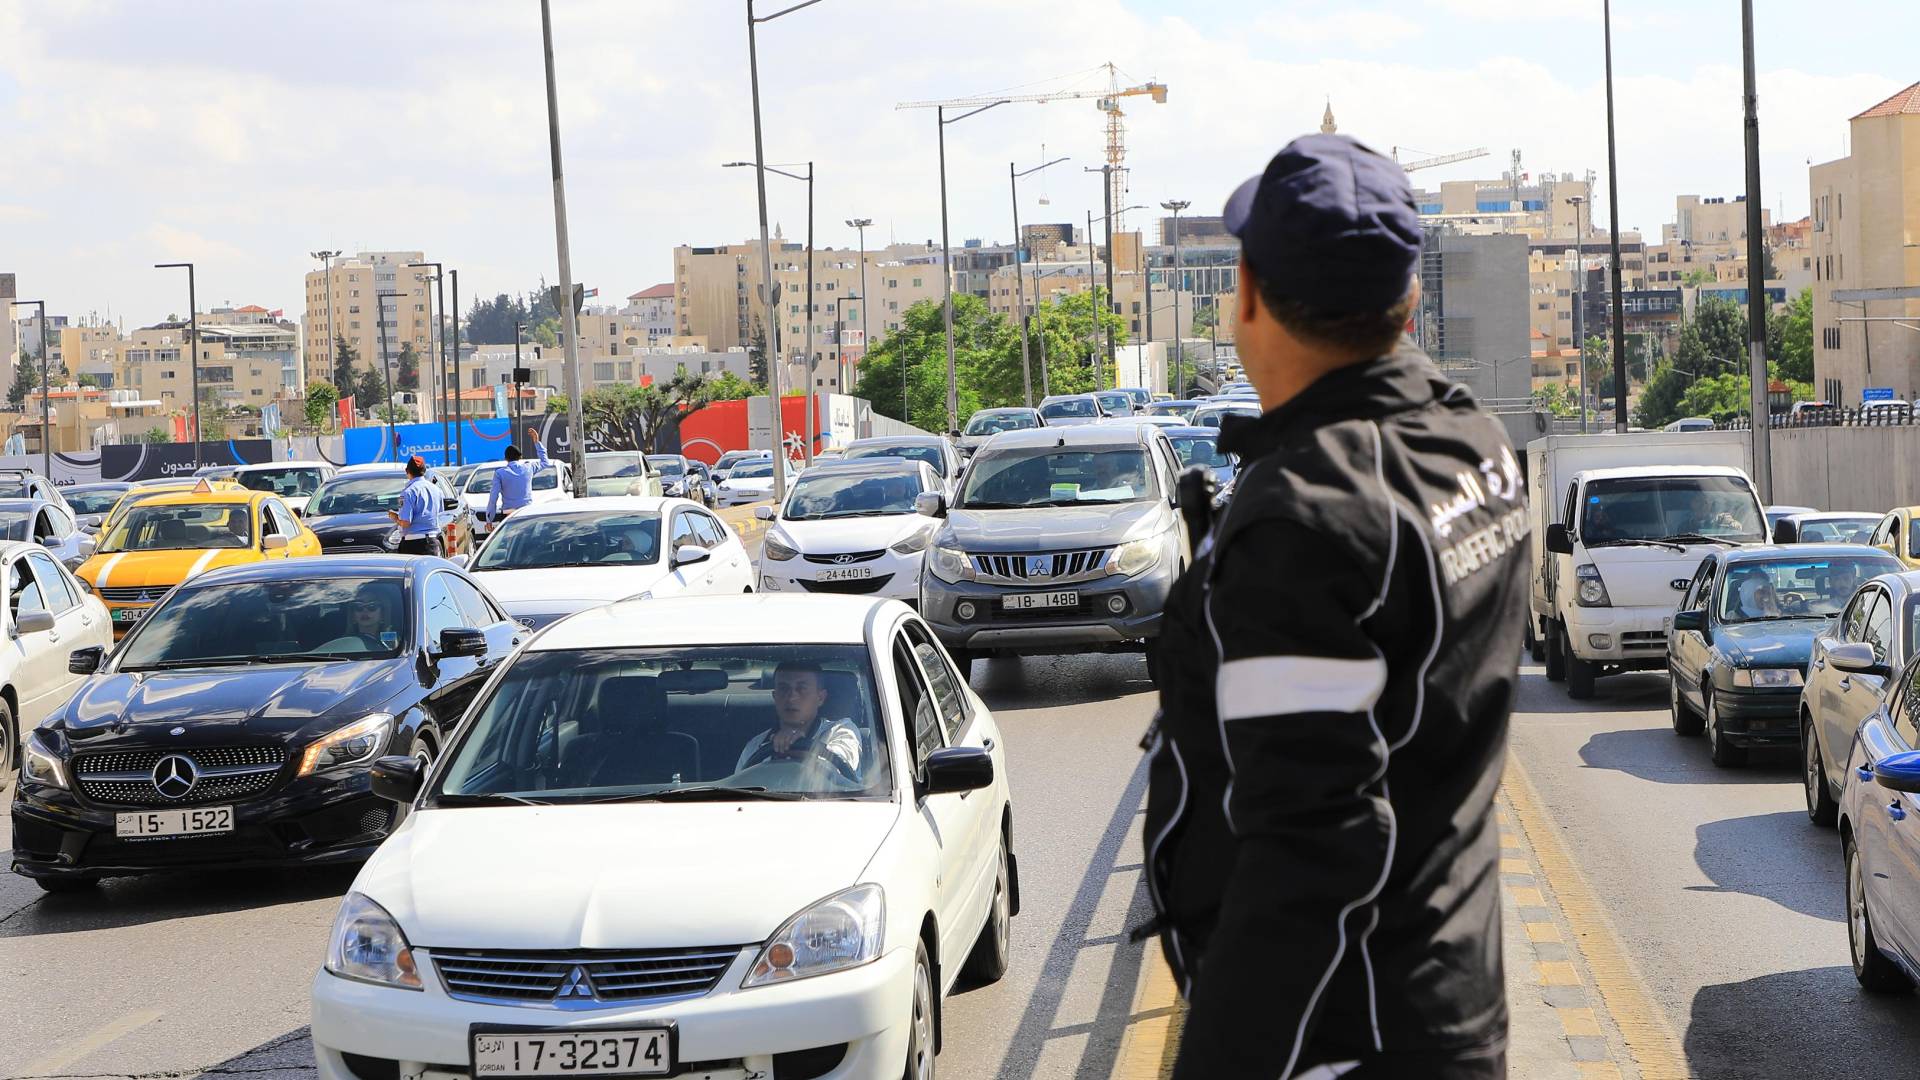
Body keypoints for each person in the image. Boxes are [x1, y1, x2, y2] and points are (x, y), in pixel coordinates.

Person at [1143, 133, 1527, 1080]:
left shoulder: (1310, 518)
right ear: (1407, 302)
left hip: (1342, 1039)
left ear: (1245, 295)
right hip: (1448, 1005)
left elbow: (1313, 856)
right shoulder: (1473, 446)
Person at [736, 661, 863, 781]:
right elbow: (738, 789)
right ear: (775, 697)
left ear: (820, 698)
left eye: (802, 688)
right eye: (784, 689)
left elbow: (839, 769)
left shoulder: (842, 732)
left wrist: (802, 753)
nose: (792, 697)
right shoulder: (755, 746)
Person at [485, 427, 549, 526]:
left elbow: (493, 497)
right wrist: (537, 442)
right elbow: (545, 462)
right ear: (520, 457)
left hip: (508, 515)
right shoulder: (529, 467)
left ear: (505, 458)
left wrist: (489, 519)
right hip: (526, 512)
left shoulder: (499, 473)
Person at [387, 455, 443, 557]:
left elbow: (405, 523)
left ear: (407, 471)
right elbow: (439, 513)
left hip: (413, 544)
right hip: (433, 542)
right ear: (424, 471)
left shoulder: (408, 492)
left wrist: (395, 518)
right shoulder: (436, 490)